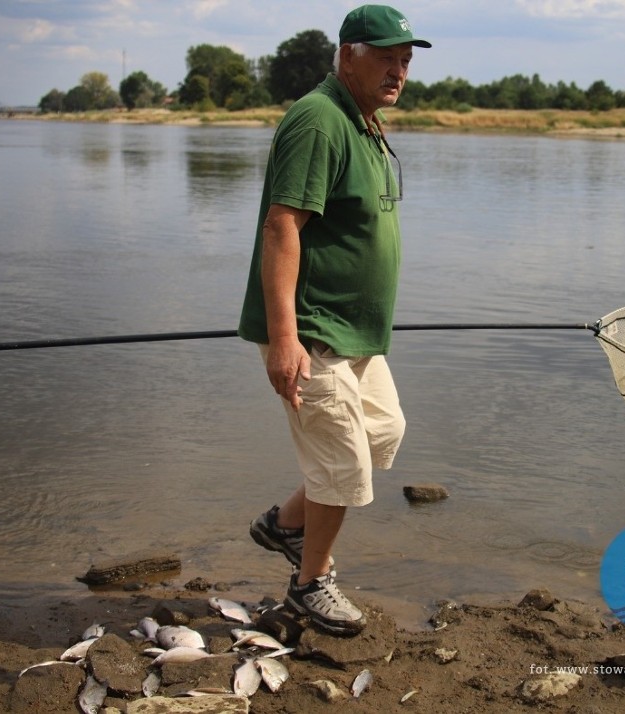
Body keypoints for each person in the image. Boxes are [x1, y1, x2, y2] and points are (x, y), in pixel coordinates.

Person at [237, 5, 431, 635]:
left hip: (356, 336)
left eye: (405, 59)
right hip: (314, 332)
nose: (398, 70)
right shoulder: (318, 120)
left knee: (381, 435)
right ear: (348, 54)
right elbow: (282, 224)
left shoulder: (364, 121)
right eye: (385, 57)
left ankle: (285, 526)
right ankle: (309, 584)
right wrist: (284, 337)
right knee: (343, 466)